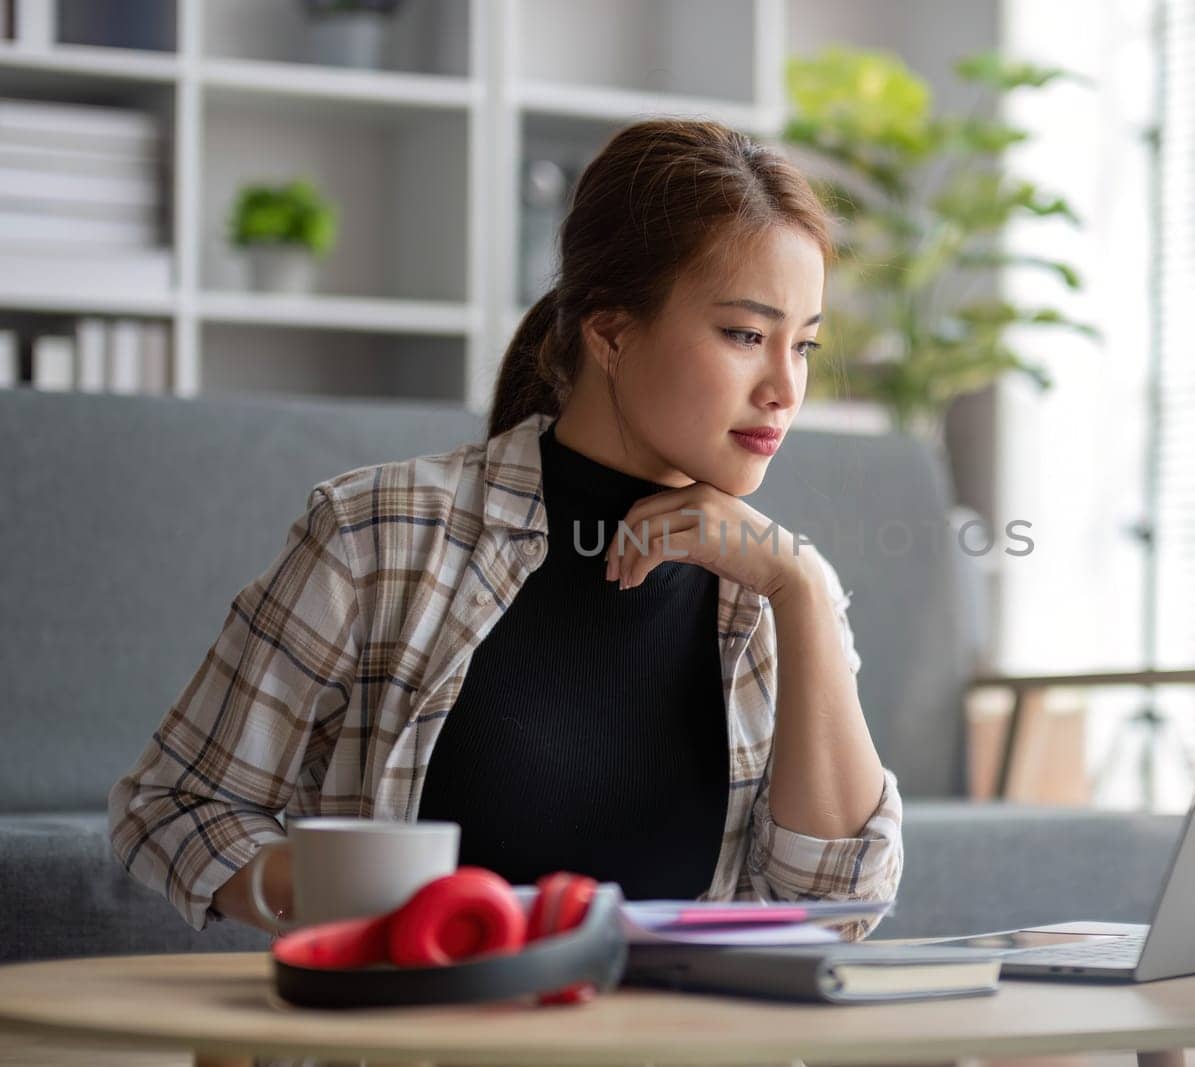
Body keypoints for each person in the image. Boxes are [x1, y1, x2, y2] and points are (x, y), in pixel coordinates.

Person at [106, 118, 905, 957]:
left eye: (805, 345)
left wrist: (802, 588)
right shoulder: (378, 535)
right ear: (609, 332)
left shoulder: (774, 587)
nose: (785, 387)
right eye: (746, 335)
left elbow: (838, 909)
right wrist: (347, 903)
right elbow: (172, 805)